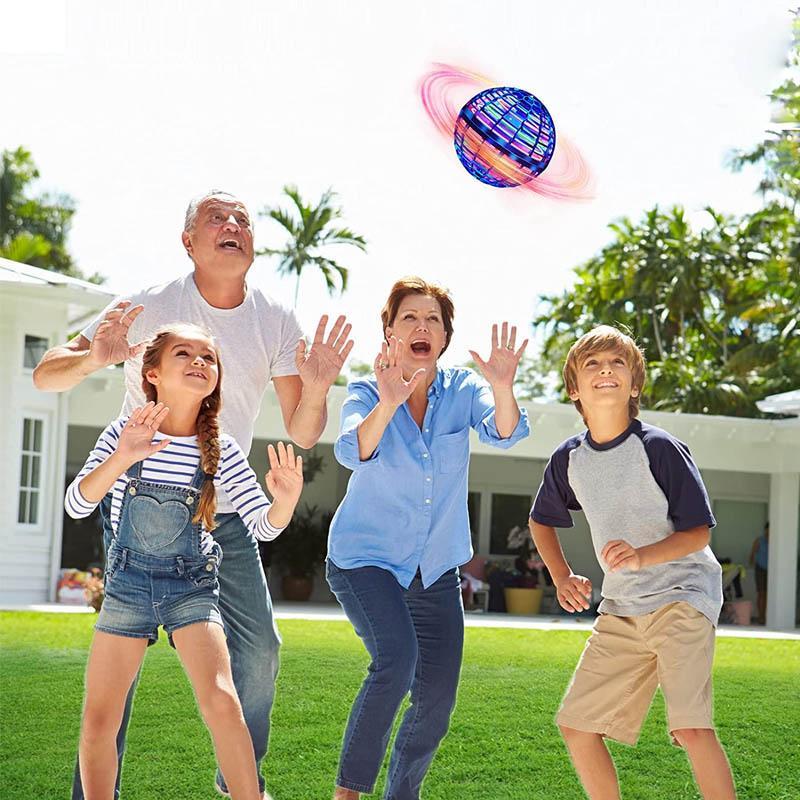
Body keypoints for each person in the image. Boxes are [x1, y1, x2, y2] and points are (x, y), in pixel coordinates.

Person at [34, 191, 351, 799]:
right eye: (217, 217)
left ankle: (240, 786)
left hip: (224, 509)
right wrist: (94, 357)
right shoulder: (150, 304)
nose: (232, 226)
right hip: (137, 504)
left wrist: (314, 390)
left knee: (257, 653)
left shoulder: (275, 320)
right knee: (110, 692)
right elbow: (48, 374)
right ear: (188, 241)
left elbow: (304, 430)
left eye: (242, 220)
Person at [65, 324, 304, 800]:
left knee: (221, 699)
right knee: (99, 718)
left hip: (190, 587)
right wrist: (122, 456)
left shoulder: (222, 449)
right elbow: (77, 503)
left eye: (208, 357)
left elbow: (261, 525)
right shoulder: (123, 432)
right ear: (151, 372)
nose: (199, 361)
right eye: (184, 353)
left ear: (216, 379)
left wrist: (285, 501)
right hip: (127, 586)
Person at [326, 277, 530, 800]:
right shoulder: (368, 390)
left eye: (433, 320)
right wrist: (391, 401)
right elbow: (353, 450)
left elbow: (503, 432)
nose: (422, 327)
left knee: (436, 698)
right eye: (410, 318)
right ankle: (347, 794)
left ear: (444, 337)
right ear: (390, 332)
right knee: (396, 661)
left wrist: (504, 386)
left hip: (435, 568)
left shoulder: (463, 389)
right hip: (365, 561)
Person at [529, 324, 736, 800]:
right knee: (578, 727)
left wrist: (642, 556)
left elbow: (698, 531)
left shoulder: (659, 447)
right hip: (622, 607)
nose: (606, 370)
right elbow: (541, 521)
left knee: (689, 727)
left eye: (617, 363)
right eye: (593, 365)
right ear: (574, 389)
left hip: (683, 595)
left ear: (634, 383)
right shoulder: (569, 459)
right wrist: (561, 577)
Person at [749, 522, 769, 625]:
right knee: (761, 593)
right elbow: (752, 554)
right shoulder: (759, 540)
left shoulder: (776, 541)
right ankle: (761, 617)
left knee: (769, 594)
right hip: (760, 569)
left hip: (772, 570)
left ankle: (767, 617)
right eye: (768, 529)